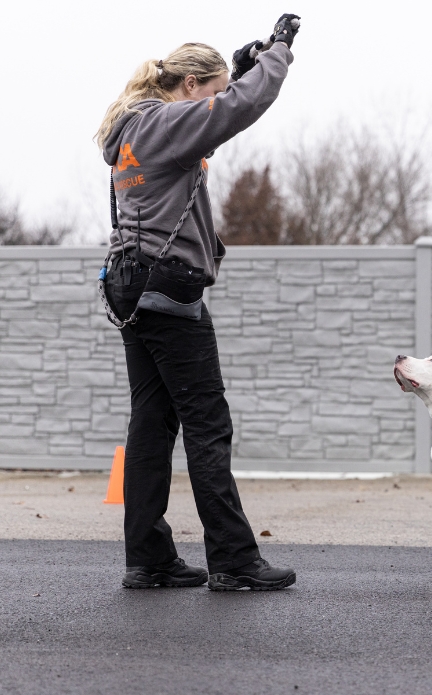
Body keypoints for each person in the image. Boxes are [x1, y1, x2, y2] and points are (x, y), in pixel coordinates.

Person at [94, 15, 301, 591]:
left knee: (152, 423)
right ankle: (235, 561)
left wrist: (234, 74)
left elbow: (217, 108)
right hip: (169, 289)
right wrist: (275, 56)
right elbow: (237, 110)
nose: (212, 105)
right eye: (207, 92)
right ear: (188, 88)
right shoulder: (163, 123)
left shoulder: (135, 128)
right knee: (207, 424)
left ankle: (150, 558)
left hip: (133, 285)